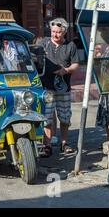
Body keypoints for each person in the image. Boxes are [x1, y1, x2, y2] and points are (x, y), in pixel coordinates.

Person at [38, 17, 80, 157]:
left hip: (63, 88)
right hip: (46, 87)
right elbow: (34, 58)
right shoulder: (43, 43)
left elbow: (75, 64)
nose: (55, 35)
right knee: (47, 118)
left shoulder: (70, 46)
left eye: (58, 32)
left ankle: (64, 143)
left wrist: (66, 70)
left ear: (64, 33)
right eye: (53, 31)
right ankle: (47, 145)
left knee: (65, 117)